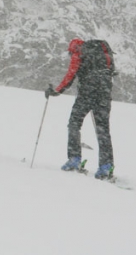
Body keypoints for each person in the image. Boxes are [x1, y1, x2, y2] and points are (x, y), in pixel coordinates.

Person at [46, 38, 115, 179]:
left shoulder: (79, 52)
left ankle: (74, 159)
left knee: (74, 123)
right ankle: (105, 166)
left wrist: (57, 91)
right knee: (102, 129)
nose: (71, 56)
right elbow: (111, 72)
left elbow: (70, 75)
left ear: (73, 49)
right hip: (104, 94)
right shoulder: (104, 54)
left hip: (87, 93)